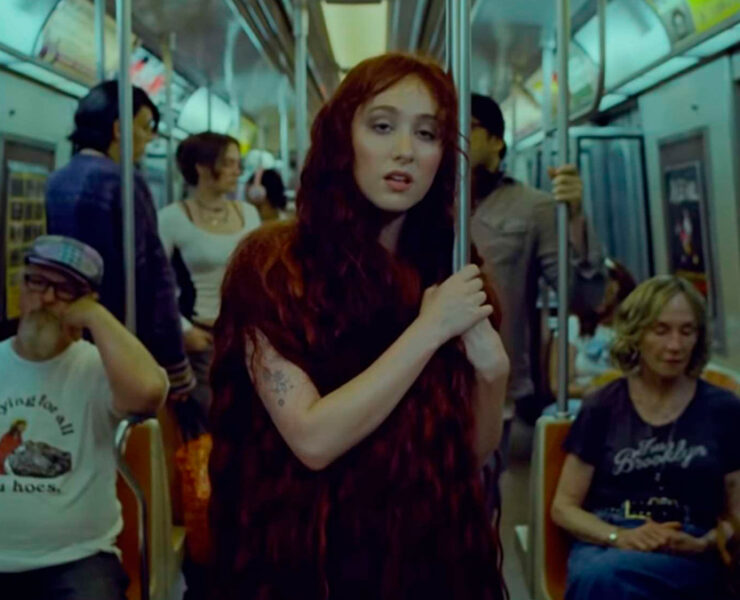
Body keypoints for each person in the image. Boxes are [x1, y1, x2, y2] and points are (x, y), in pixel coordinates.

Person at [208, 53, 509, 600]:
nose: (405, 150)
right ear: (342, 139)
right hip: (308, 560)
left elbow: (467, 453)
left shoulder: (449, 270)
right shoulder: (274, 268)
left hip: (425, 556)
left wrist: (493, 375)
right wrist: (429, 330)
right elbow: (312, 438)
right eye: (382, 126)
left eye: (427, 133)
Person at [551, 275, 740, 600]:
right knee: (602, 577)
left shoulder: (723, 408)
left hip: (689, 545)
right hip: (610, 538)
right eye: (661, 330)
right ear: (636, 334)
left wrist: (705, 542)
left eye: (687, 331)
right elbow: (564, 507)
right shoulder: (603, 405)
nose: (675, 346)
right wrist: (619, 536)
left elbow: (738, 509)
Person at [0, 235, 168, 598]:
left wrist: (94, 316)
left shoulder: (98, 367)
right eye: (37, 282)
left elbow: (148, 394)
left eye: (64, 290)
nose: (46, 298)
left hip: (77, 559)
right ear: (20, 285)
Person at [470, 93, 605, 446]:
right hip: (421, 378)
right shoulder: (423, 201)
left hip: (495, 380)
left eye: (467, 127)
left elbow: (583, 297)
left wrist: (574, 218)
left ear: (496, 141)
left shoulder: (534, 208)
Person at [45, 81, 195, 397]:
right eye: (144, 127)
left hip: (73, 333)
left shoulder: (57, 180)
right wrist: (174, 360)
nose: (148, 138)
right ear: (118, 129)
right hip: (124, 336)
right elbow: (153, 274)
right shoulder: (123, 181)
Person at [158, 132, 261, 422]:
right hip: (203, 338)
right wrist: (182, 329)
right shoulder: (172, 218)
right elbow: (154, 284)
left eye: (238, 163)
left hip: (248, 336)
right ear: (201, 167)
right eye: (227, 163)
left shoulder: (249, 214)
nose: (236, 171)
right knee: (211, 422)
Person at [549, 258, 636, 398]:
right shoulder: (572, 325)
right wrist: (595, 391)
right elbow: (558, 387)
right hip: (582, 400)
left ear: (616, 287)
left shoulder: (634, 329)